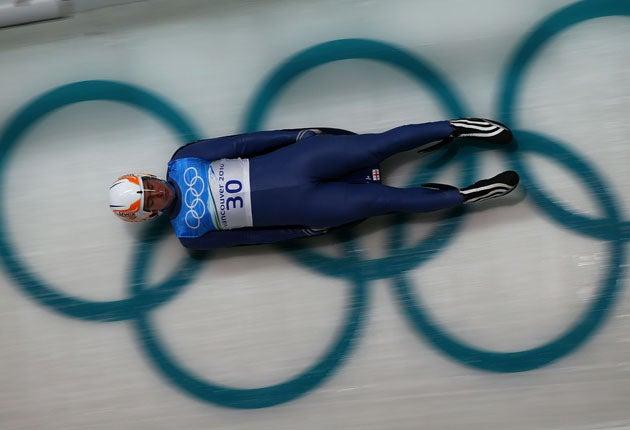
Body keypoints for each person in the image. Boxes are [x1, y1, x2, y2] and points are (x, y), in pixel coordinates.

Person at [109, 118, 519, 249]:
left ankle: (463, 127)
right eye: (151, 200)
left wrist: (298, 136)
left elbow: (242, 144)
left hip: (295, 162)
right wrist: (302, 231)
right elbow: (253, 238)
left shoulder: (183, 160)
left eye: (150, 185)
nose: (158, 192)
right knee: (383, 200)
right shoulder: (190, 235)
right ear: (150, 215)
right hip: (308, 208)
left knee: (378, 145)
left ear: (149, 177)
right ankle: (474, 193)